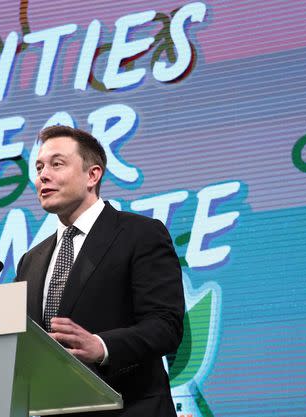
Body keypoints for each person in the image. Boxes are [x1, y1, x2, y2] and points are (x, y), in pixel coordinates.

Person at [15, 125, 184, 417]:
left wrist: (101, 345)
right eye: (39, 167)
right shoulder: (30, 260)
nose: (43, 175)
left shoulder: (140, 234)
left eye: (57, 164)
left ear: (93, 175)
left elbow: (165, 325)